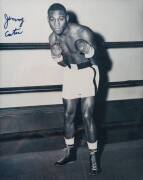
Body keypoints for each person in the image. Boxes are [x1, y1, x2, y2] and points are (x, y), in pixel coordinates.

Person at [47, 3, 100, 176]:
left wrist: (89, 50)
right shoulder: (52, 38)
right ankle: (70, 152)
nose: (57, 24)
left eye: (60, 19)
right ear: (48, 20)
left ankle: (93, 156)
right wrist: (57, 57)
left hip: (87, 72)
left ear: (67, 19)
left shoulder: (82, 32)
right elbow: (64, 62)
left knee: (87, 115)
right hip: (70, 73)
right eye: (53, 20)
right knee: (68, 114)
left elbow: (100, 59)